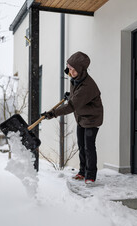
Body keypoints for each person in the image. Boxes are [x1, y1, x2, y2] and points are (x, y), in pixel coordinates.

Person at [42, 51, 103, 185]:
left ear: (81, 70)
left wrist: (52, 113)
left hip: (92, 118)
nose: (70, 72)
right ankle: (82, 171)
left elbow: (71, 106)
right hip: (81, 116)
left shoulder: (87, 86)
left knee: (89, 147)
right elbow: (76, 98)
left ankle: (90, 175)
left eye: (73, 70)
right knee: (81, 146)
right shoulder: (76, 79)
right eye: (69, 68)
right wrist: (71, 94)